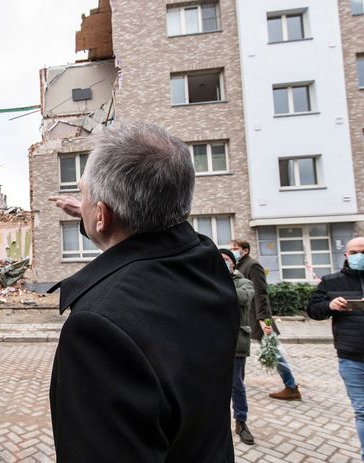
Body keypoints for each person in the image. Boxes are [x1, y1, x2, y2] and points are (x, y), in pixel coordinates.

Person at [48, 121, 239, 462]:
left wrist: (99, 214)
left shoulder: (98, 328)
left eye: (84, 192)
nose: (82, 199)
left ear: (103, 215)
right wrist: (92, 212)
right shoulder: (206, 265)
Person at [307, 236, 364, 460]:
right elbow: (313, 309)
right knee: (362, 411)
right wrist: (330, 305)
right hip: (351, 357)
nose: (360, 256)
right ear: (346, 255)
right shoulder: (332, 281)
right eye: (355, 252)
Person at [230, 239, 301, 401]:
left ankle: (291, 387)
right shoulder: (239, 267)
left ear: (245, 250)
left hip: (258, 318)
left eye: (236, 248)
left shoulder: (253, 265)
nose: (233, 250)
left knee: (273, 351)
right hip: (247, 318)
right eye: (232, 248)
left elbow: (261, 294)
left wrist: (264, 319)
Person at [219, 248, 255, 446]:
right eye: (219, 260)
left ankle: (241, 422)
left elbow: (242, 297)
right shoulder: (209, 281)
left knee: (236, 385)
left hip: (235, 343)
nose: (223, 262)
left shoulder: (244, 283)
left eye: (226, 259)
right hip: (212, 343)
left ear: (233, 263)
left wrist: (215, 285)